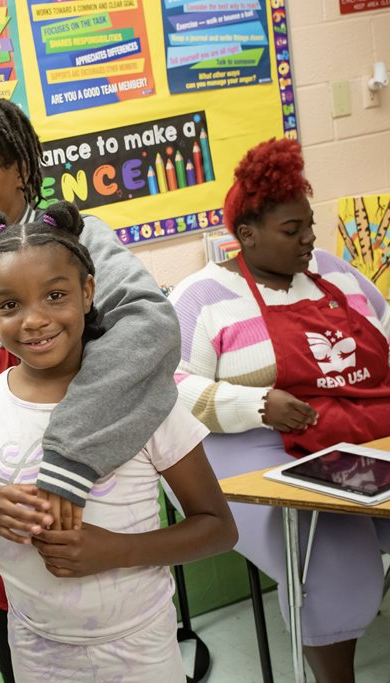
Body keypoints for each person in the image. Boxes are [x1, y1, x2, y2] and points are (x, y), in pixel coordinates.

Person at [0, 98, 181, 679]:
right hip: (3, 530)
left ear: (19, 166)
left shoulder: (78, 244)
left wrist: (68, 455)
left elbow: (151, 327)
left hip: (88, 516)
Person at [0, 206, 237, 683]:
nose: (34, 320)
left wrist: (115, 550)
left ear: (87, 292)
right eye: (10, 305)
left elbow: (219, 529)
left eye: (55, 295)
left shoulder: (143, 402)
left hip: (141, 649)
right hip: (37, 652)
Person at [169, 137, 390, 683]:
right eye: (293, 231)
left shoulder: (338, 275)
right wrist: (257, 404)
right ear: (245, 235)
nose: (309, 240)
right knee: (328, 542)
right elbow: (167, 392)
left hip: (358, 431)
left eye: (309, 226)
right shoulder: (202, 297)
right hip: (253, 442)